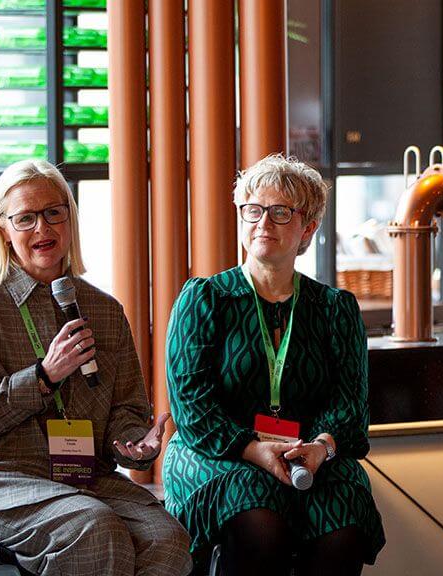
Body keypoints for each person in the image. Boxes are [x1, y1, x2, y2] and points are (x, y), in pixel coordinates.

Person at [0, 160, 192, 575]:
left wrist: (135, 444)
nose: (43, 229)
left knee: (168, 539)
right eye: (26, 218)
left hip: (79, 473)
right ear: (3, 229)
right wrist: (43, 375)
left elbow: (127, 411)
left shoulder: (104, 310)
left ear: (70, 217)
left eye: (54, 212)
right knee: (93, 528)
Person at [163, 154, 384, 576]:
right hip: (219, 452)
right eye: (253, 210)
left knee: (345, 522)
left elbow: (351, 405)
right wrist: (254, 449)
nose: (264, 222)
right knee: (258, 519)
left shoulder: (335, 308)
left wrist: (321, 446)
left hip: (308, 454)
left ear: (309, 227)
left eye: (281, 212)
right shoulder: (205, 298)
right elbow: (192, 410)